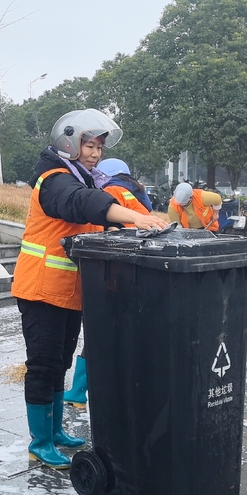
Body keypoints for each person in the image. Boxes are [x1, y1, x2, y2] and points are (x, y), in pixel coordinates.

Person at [11, 109, 168, 470]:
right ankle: (40, 442)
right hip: (41, 290)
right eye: (88, 144)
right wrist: (134, 216)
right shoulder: (53, 179)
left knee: (59, 365)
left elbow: (90, 222)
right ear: (68, 141)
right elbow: (81, 205)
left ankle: (54, 431)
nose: (95, 153)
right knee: (43, 366)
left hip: (70, 290)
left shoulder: (84, 179)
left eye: (99, 147)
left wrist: (125, 231)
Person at [61, 157, 152, 410]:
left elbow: (113, 231)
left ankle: (79, 392)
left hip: (114, 271)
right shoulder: (138, 194)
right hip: (138, 272)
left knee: (98, 332)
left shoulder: (111, 191)